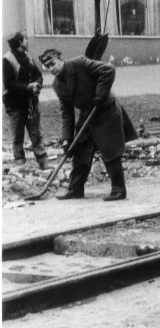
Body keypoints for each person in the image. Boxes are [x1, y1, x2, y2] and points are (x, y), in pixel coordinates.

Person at [39, 49, 138, 201]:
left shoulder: (79, 63)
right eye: (48, 67)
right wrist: (67, 139)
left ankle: (119, 190)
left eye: (53, 64)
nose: (52, 69)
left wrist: (100, 94)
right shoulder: (57, 84)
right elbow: (67, 113)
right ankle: (75, 189)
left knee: (109, 149)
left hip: (105, 108)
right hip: (87, 114)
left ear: (61, 59)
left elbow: (108, 69)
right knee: (79, 149)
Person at [3, 31, 48, 169]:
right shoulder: (7, 60)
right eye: (24, 39)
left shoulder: (28, 56)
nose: (27, 41)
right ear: (20, 43)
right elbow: (9, 83)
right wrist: (28, 87)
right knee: (18, 135)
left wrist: (38, 83)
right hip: (14, 104)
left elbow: (38, 74)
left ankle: (43, 161)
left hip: (30, 103)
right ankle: (19, 162)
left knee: (36, 133)